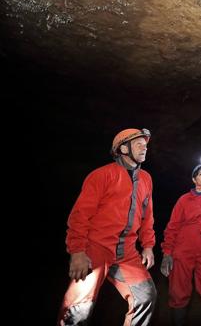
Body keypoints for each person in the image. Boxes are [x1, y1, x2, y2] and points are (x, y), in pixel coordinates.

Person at [58, 128, 157, 326]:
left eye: (145, 145)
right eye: (138, 144)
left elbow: (147, 216)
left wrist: (148, 245)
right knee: (79, 308)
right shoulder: (101, 175)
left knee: (146, 296)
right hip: (97, 247)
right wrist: (77, 251)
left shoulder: (146, 178)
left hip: (127, 251)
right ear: (123, 148)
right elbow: (80, 215)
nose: (144, 147)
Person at [160, 164, 201, 325]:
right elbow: (173, 226)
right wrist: (167, 253)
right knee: (178, 290)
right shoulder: (184, 199)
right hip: (183, 251)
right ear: (194, 179)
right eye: (200, 174)